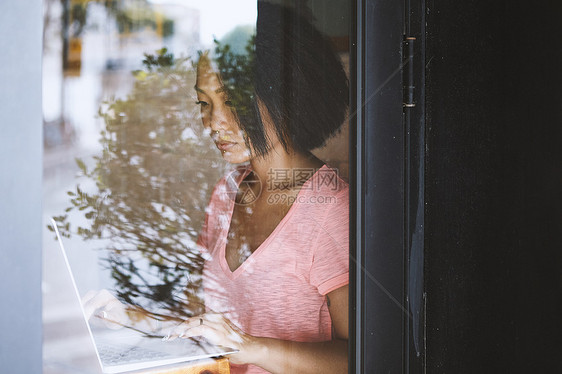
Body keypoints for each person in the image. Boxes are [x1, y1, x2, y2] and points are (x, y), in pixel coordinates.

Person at [86, 2, 349, 373]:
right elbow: (203, 326)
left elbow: (363, 358)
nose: (214, 122)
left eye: (232, 101)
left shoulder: (332, 211)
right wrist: (128, 316)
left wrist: (254, 348)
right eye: (204, 103)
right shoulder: (226, 192)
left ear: (283, 94)